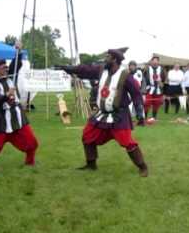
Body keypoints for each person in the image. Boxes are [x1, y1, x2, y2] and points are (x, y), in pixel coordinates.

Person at [56, 48, 148, 176]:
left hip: (119, 115)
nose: (105, 59)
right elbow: (85, 69)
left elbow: (136, 94)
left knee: (127, 142)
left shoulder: (125, 75)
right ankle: (91, 164)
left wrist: (140, 113)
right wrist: (68, 68)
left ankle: (143, 167)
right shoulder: (101, 70)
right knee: (87, 135)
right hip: (102, 114)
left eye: (108, 57)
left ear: (114, 59)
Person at [0, 60, 39, 172]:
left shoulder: (10, 76)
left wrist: (18, 51)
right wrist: (7, 95)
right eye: (3, 68)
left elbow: (16, 64)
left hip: (17, 117)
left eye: (6, 67)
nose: (6, 69)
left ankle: (30, 162)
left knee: (31, 141)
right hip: (1, 120)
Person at [143, 56, 165, 120]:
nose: (155, 62)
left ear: (158, 62)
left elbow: (164, 80)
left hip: (158, 89)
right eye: (154, 60)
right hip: (149, 89)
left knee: (156, 104)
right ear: (151, 61)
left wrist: (161, 83)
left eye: (156, 60)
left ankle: (154, 117)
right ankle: (145, 117)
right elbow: (143, 79)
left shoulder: (161, 69)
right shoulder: (147, 69)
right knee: (147, 103)